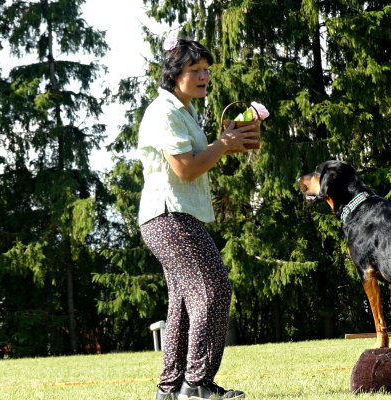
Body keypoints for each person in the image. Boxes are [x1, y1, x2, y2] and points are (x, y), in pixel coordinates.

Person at [138, 37, 258, 400]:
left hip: (169, 216)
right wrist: (223, 144)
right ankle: (197, 385)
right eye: (195, 70)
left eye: (206, 69)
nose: (204, 76)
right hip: (169, 215)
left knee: (183, 302)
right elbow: (185, 169)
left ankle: (171, 388)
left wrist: (225, 144)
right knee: (213, 288)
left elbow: (193, 163)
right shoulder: (166, 112)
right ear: (174, 74)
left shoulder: (183, 110)